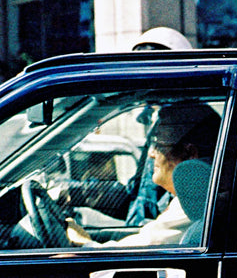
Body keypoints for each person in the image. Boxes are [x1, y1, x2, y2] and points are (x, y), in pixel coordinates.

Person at [68, 102, 220, 248]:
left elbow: (146, 246)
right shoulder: (192, 200)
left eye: (159, 144)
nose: (151, 153)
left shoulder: (198, 205)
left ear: (190, 154)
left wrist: (85, 244)